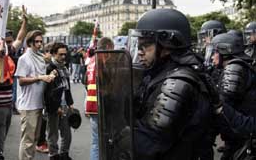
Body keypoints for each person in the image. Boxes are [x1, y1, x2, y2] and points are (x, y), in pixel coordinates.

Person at [128, 9, 212, 159]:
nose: (140, 52)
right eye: (138, 46)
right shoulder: (159, 72)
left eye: (146, 45)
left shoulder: (177, 82)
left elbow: (149, 144)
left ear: (167, 46)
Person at [206, 32, 256, 160]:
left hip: (245, 136)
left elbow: (223, 103)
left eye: (215, 52)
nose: (212, 57)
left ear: (225, 51)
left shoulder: (234, 68)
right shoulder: (238, 65)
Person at [15, 30, 55, 160]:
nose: (39, 44)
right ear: (30, 42)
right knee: (28, 141)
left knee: (35, 139)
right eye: (36, 42)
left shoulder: (40, 57)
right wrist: (40, 78)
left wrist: (50, 74)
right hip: (28, 105)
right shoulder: (24, 59)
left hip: (38, 103)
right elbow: (21, 81)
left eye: (40, 41)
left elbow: (43, 76)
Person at [84, 37, 113, 160]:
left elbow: (85, 81)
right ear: (107, 48)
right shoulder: (103, 61)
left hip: (91, 105)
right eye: (112, 49)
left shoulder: (91, 60)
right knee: (106, 142)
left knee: (96, 143)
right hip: (101, 105)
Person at [44, 42, 74, 160]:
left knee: (67, 133)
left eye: (64, 54)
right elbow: (47, 91)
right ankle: (54, 155)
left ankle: (64, 154)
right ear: (54, 54)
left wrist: (70, 102)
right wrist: (56, 107)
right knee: (53, 134)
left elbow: (67, 87)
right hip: (53, 106)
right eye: (60, 54)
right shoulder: (49, 68)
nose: (63, 57)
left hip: (65, 104)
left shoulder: (64, 68)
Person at [36, 42, 55, 154]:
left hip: (45, 96)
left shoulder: (48, 64)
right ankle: (40, 142)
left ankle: (42, 141)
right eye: (52, 53)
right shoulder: (44, 64)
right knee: (42, 121)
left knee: (44, 121)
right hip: (41, 96)